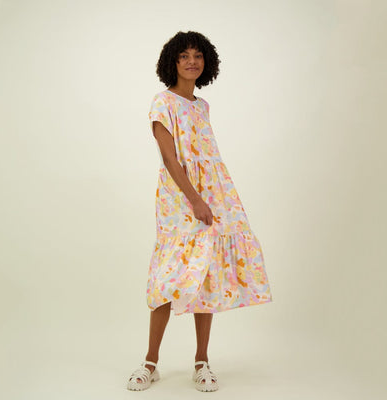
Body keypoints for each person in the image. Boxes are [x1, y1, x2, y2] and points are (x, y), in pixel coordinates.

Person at [127, 31, 273, 392]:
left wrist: (218, 198)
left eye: (198, 56)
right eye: (184, 56)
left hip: (214, 194)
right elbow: (170, 159)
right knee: (166, 279)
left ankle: (202, 361)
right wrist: (194, 199)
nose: (192, 62)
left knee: (208, 274)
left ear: (206, 62)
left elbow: (208, 157)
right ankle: (150, 362)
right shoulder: (162, 102)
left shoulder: (202, 106)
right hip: (180, 199)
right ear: (172, 62)